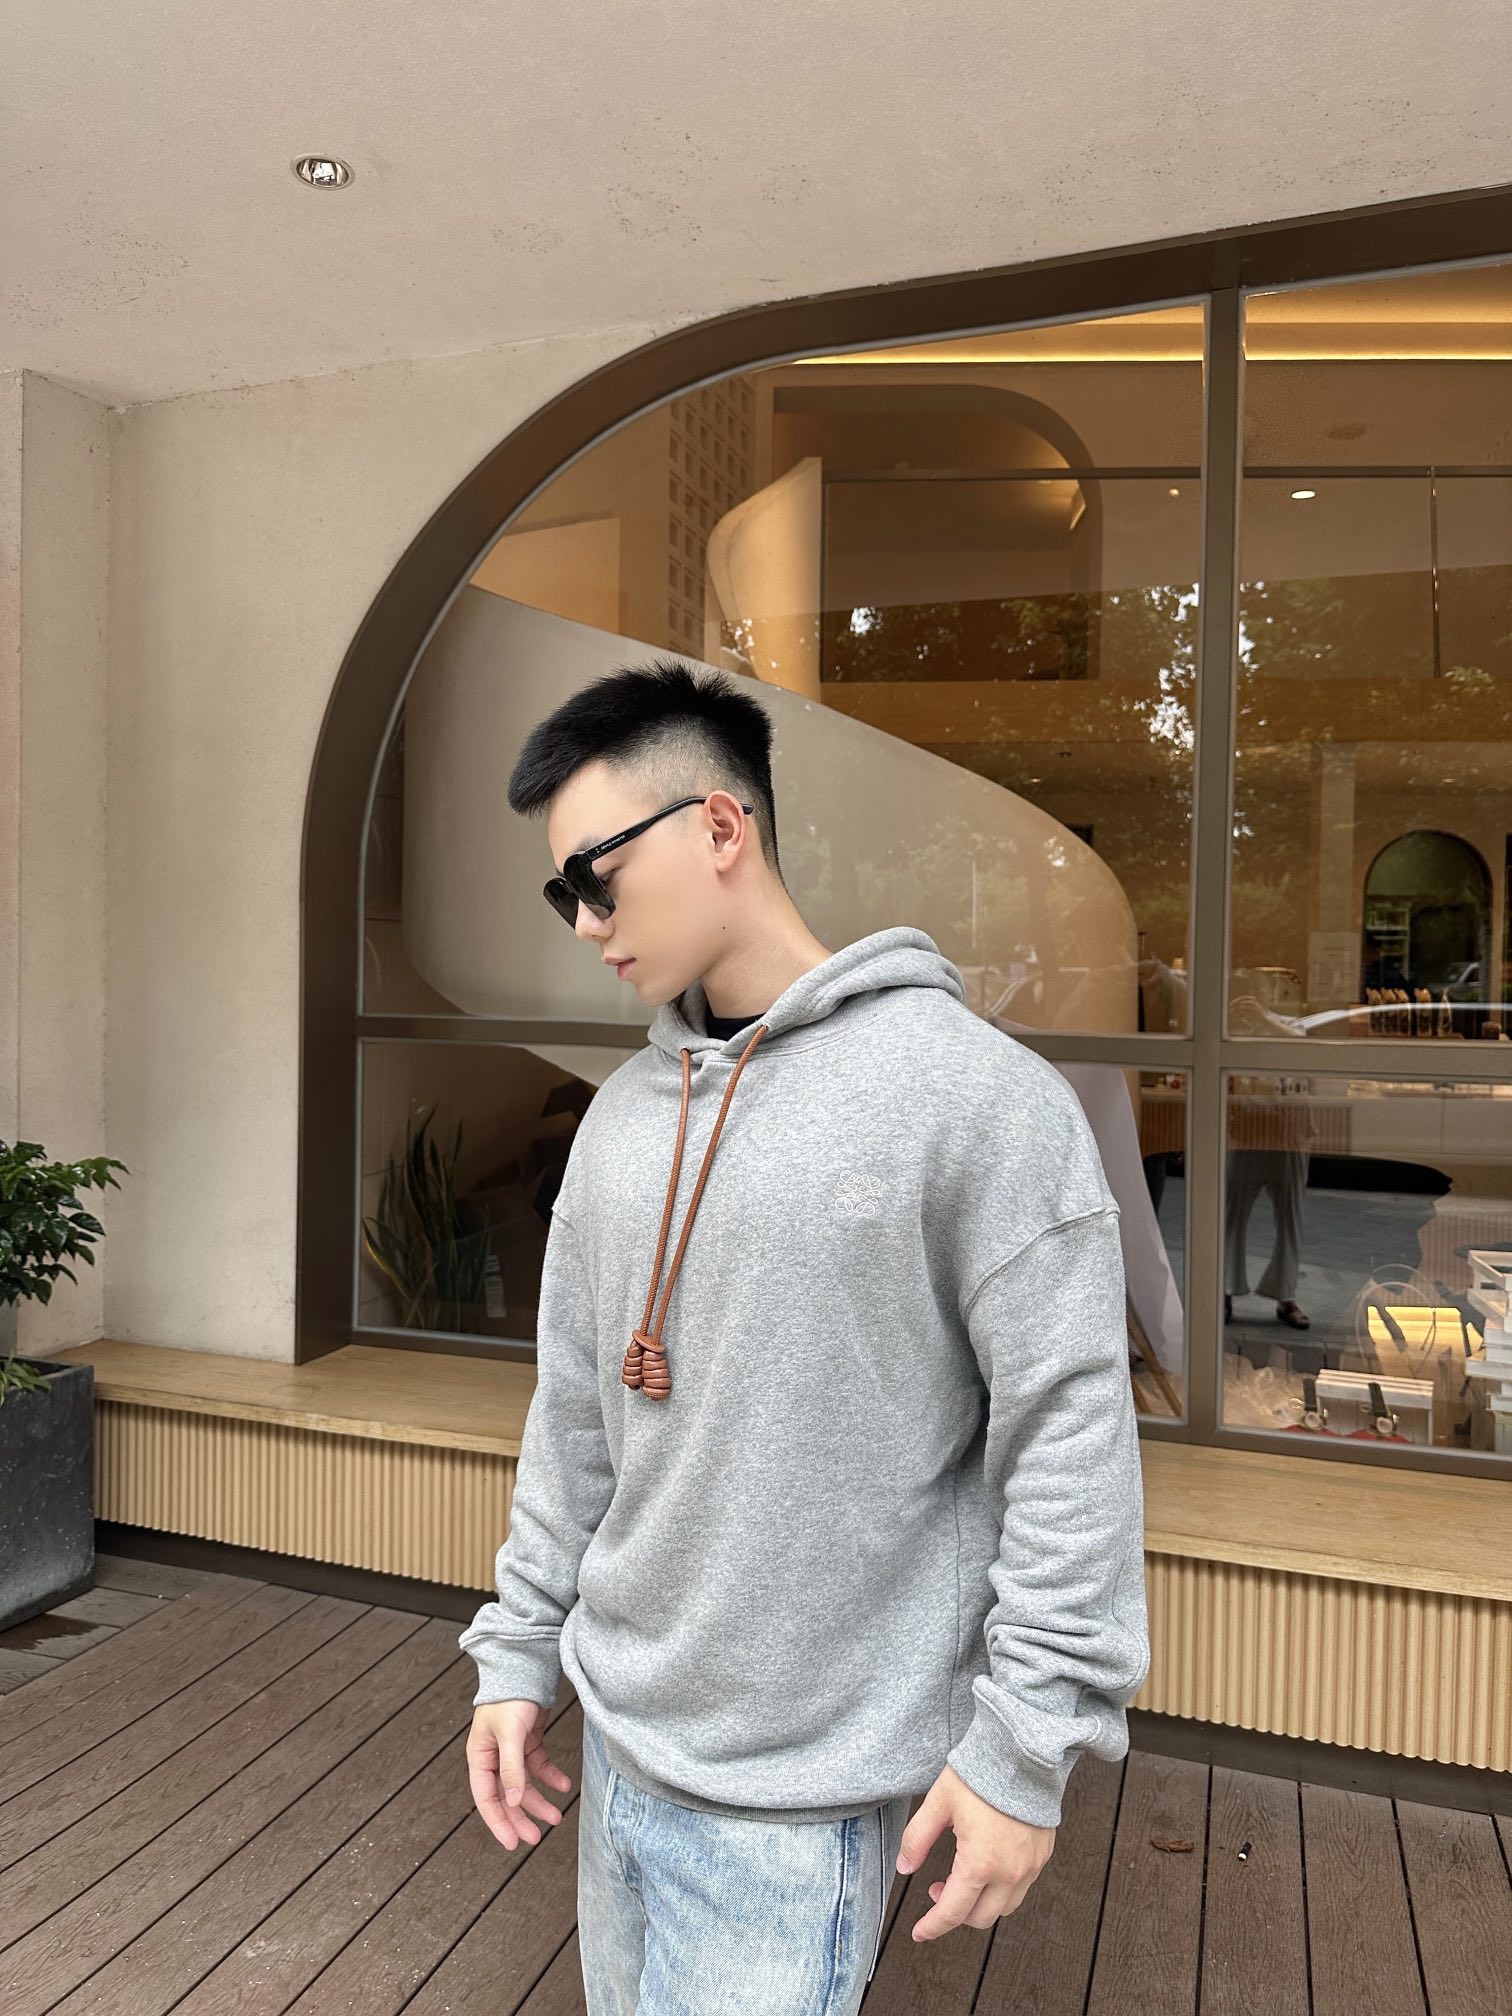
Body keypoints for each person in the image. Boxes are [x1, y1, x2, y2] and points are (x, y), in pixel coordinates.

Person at [458, 657, 1151, 2015]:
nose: (585, 921)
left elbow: (1070, 1437)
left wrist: (1026, 1750)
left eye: (596, 876)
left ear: (721, 826)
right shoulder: (619, 1122)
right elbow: (575, 1419)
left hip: (805, 1807)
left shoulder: (975, 1102)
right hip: (619, 1758)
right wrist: (519, 1648)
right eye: (562, 894)